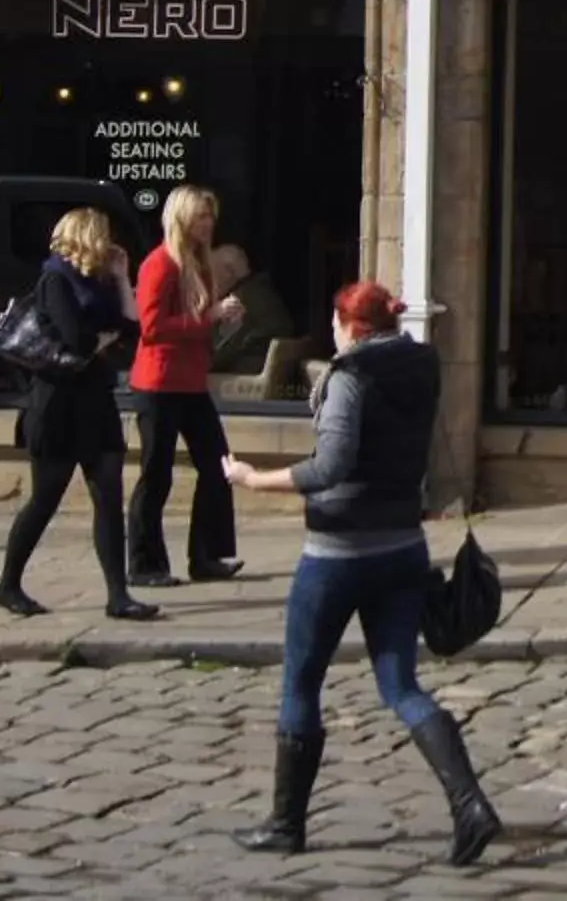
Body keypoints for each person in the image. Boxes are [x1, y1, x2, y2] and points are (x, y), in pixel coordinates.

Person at [224, 281, 501, 867]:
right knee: (401, 686)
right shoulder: (419, 366)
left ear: (349, 327)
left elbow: (331, 465)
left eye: (334, 321)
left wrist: (253, 479)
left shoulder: (350, 378)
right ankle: (469, 803)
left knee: (301, 682)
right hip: (402, 544)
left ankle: (286, 824)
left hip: (338, 553)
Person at [0, 208, 159, 622]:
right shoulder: (55, 278)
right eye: (104, 236)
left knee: (108, 497)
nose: (111, 244)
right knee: (45, 499)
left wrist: (122, 278)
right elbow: (77, 340)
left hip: (95, 399)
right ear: (87, 237)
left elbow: (133, 329)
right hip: (57, 404)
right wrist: (104, 337)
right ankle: (8, 584)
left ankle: (118, 596)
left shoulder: (98, 281)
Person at [126, 185, 246, 587]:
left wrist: (223, 317)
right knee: (156, 474)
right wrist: (209, 316)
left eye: (211, 216)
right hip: (159, 383)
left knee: (217, 465)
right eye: (200, 216)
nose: (207, 224)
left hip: (192, 382)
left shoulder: (200, 263)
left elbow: (200, 321)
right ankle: (144, 565)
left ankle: (206, 556)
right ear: (181, 219)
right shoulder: (159, 264)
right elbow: (152, 327)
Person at [209, 241, 299, 377]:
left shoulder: (239, 303)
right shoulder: (262, 292)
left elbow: (213, 355)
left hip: (240, 383)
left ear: (228, 272)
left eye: (210, 272)